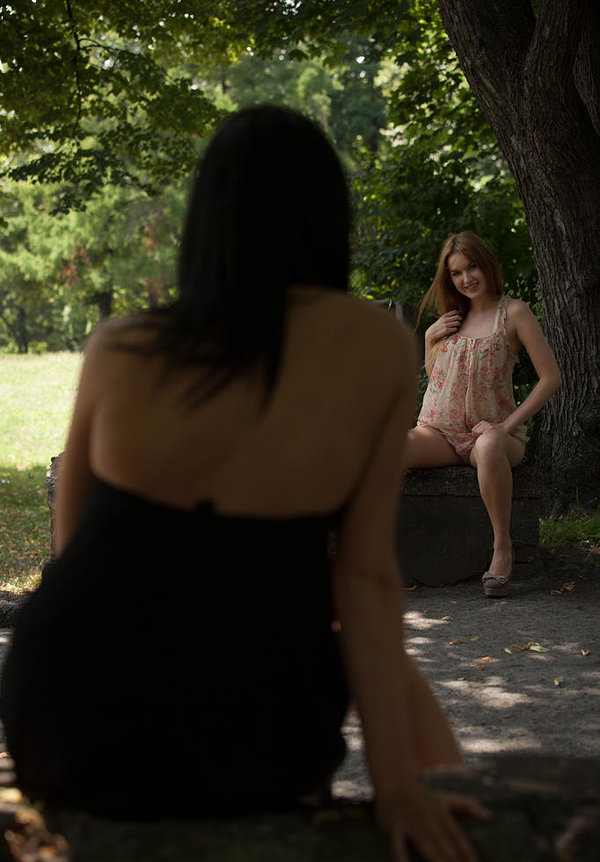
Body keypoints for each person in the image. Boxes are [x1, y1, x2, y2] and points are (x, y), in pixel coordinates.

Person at [0, 107, 488, 862]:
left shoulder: (122, 345)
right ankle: (461, 806)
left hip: (68, 718)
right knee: (375, 661)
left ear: (206, 221)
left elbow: (72, 552)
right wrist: (395, 787)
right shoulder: (373, 345)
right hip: (255, 732)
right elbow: (364, 578)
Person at [405, 231, 561, 597]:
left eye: (472, 267)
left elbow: (551, 378)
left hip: (492, 436)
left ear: (486, 264)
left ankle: (502, 548)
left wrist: (506, 426)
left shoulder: (514, 313)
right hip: (439, 433)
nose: (466, 278)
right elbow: (439, 380)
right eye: (456, 273)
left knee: (490, 446)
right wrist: (429, 338)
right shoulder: (451, 319)